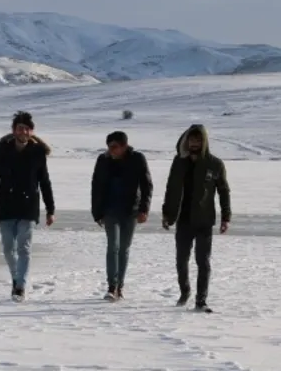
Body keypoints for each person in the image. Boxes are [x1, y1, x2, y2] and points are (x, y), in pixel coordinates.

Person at [0, 111, 56, 301]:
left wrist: (50, 209)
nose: (22, 131)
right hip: (6, 205)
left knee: (24, 248)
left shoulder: (38, 152)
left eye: (26, 128)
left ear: (31, 131)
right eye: (19, 128)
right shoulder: (2, 149)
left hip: (28, 206)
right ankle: (16, 278)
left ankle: (20, 287)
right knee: (8, 248)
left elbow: (44, 181)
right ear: (13, 130)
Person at [161, 124, 231, 313]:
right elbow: (171, 189)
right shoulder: (179, 162)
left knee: (203, 261)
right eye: (191, 140)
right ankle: (185, 291)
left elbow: (224, 191)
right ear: (186, 140)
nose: (194, 143)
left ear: (204, 142)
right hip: (183, 219)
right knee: (181, 260)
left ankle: (201, 300)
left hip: (204, 220)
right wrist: (167, 214)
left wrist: (226, 217)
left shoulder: (214, 164)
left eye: (198, 140)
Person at [90, 130, 153, 301]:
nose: (111, 150)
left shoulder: (137, 159)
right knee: (113, 246)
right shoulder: (103, 161)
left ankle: (120, 286)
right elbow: (96, 186)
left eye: (115, 147)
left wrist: (144, 209)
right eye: (109, 147)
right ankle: (112, 286)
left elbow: (147, 185)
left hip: (130, 211)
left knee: (124, 248)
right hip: (110, 210)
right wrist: (97, 213)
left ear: (124, 146)